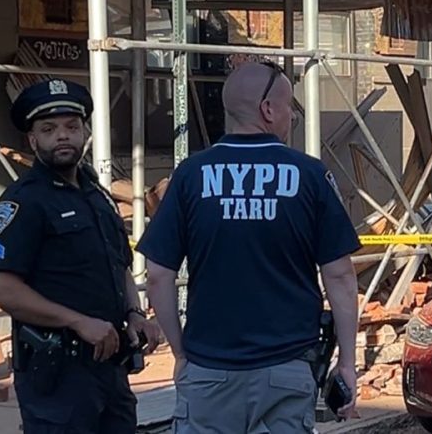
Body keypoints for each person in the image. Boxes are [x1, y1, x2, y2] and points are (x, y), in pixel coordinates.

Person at [139, 60, 361, 434]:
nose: (292, 116)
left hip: (209, 372)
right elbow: (339, 276)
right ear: (268, 110)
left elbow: (159, 276)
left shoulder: (190, 175)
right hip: (286, 371)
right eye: (290, 106)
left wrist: (181, 355)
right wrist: (348, 364)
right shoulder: (310, 175)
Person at [0, 78, 161, 434]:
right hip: (57, 375)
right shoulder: (25, 200)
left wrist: (135, 313)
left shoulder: (97, 196)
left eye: (72, 127)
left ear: (85, 132)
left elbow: (117, 266)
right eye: (49, 129)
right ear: (32, 140)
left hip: (109, 368)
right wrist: (77, 321)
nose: (62, 136)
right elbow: (5, 288)